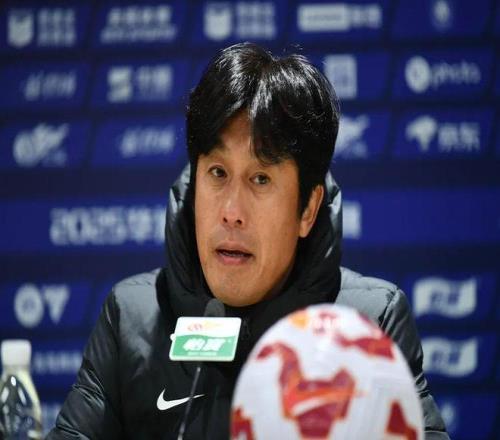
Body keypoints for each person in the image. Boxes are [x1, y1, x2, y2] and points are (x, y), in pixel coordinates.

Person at [48, 43, 449, 439]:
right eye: (218, 173)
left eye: (260, 179)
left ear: (307, 210)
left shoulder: (370, 325)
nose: (231, 212)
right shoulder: (132, 317)